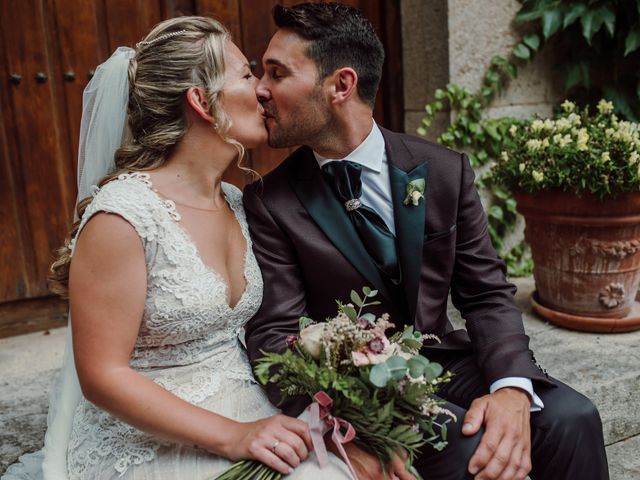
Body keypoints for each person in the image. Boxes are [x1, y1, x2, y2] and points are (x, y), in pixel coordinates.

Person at [243, 3, 610, 480]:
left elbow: (486, 295)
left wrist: (512, 388)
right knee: (457, 435)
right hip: (357, 390)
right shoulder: (271, 202)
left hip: (443, 361)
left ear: (340, 85)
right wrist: (351, 415)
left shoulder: (442, 170)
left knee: (572, 417)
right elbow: (274, 335)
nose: (260, 89)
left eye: (277, 73)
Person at [2, 16, 353, 480]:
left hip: (251, 407)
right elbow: (101, 375)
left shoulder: (238, 202)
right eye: (247, 75)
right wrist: (234, 435)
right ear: (201, 102)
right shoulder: (124, 217)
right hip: (149, 439)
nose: (263, 91)